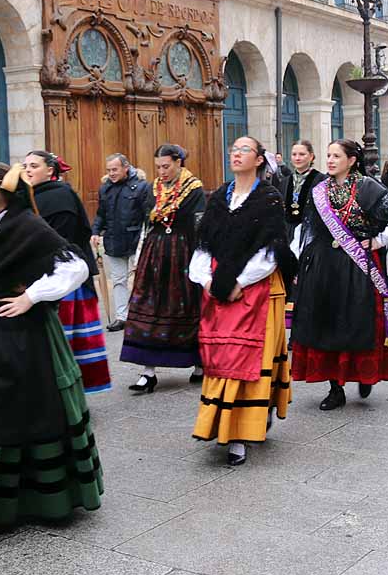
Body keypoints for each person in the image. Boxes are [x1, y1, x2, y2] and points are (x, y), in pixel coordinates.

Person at [0, 161, 102, 542]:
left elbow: (75, 266)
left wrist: (32, 297)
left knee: (31, 412)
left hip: (24, 337)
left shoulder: (26, 225)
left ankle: (43, 501)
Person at [190, 136, 296, 465]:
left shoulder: (269, 198)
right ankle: (221, 423)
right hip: (219, 285)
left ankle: (241, 433)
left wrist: (239, 282)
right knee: (221, 357)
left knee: (250, 361)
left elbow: (272, 250)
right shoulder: (219, 197)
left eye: (244, 150)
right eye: (233, 149)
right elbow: (204, 243)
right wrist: (206, 279)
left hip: (258, 286)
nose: (236, 154)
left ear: (260, 159)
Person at [290, 139, 388, 410]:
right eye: (328, 155)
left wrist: (380, 240)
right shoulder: (320, 189)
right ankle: (335, 388)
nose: (331, 160)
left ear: (352, 160)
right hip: (324, 264)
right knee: (327, 320)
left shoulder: (368, 187)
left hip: (356, 264)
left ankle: (362, 373)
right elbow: (308, 227)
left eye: (337, 156)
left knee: (357, 318)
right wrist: (299, 261)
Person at [24, 150, 112, 394]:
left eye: (34, 165)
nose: (28, 170)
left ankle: (67, 391)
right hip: (40, 278)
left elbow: (60, 242)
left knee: (65, 341)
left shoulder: (60, 197)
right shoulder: (29, 195)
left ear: (50, 170)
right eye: (25, 165)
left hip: (64, 282)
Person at [120, 143, 206, 392]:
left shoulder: (194, 189)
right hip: (155, 252)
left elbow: (198, 224)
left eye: (166, 166)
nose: (162, 171)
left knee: (186, 304)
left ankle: (198, 363)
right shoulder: (152, 188)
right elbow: (146, 216)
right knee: (148, 304)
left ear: (179, 162)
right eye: (158, 167)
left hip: (182, 252)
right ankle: (147, 371)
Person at [90, 153, 151, 332]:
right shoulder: (105, 188)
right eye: (109, 170)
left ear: (126, 167)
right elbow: (101, 214)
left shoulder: (141, 187)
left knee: (140, 280)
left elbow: (147, 215)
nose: (111, 173)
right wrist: (95, 232)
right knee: (118, 280)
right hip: (113, 241)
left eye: (115, 169)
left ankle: (142, 315)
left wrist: (146, 238)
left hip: (135, 241)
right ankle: (121, 316)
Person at [283, 140, 321, 234]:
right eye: (294, 154)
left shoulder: (321, 181)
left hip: (312, 233)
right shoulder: (284, 182)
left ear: (311, 156)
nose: (297, 158)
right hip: (289, 233)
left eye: (302, 154)